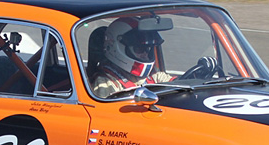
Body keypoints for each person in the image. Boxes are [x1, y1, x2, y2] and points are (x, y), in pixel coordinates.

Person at [89, 17, 217, 98]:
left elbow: (177, 83)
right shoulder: (105, 83)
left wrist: (199, 75)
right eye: (139, 49)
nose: (145, 55)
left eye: (148, 50)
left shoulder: (152, 75)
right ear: (117, 48)